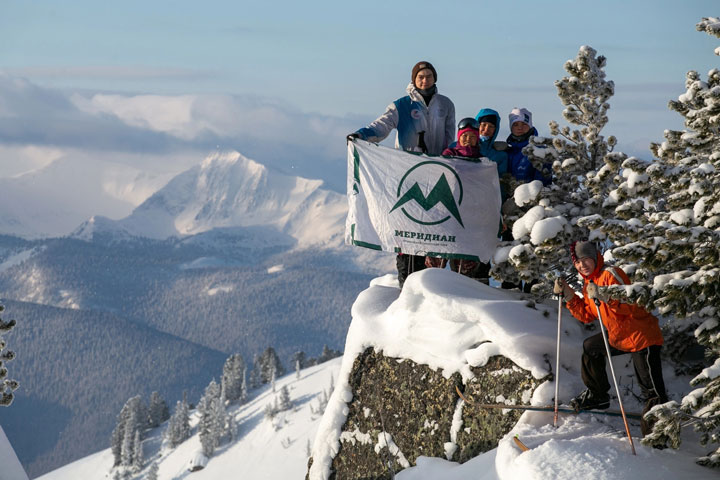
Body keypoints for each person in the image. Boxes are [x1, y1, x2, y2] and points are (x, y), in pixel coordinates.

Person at [347, 61, 456, 288]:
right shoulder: (402, 105)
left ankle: (431, 282)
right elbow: (382, 126)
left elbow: (449, 136)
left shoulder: (445, 105)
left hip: (436, 173)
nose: (424, 80)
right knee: (408, 225)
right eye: (420, 77)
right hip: (408, 174)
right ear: (414, 80)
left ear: (435, 78)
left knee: (433, 227)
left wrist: (451, 159)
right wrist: (362, 135)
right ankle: (406, 278)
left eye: (428, 76)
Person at [554, 240, 668, 435]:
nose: (582, 265)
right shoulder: (590, 282)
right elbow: (587, 315)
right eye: (578, 262)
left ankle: (658, 433)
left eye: (586, 259)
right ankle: (598, 396)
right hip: (619, 336)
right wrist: (568, 295)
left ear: (595, 257)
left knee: (651, 390)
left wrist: (608, 297)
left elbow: (632, 303)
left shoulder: (611, 274)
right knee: (591, 347)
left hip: (641, 336)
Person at [501, 107, 551, 292]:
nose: (519, 128)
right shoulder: (508, 150)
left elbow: (543, 180)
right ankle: (510, 291)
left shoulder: (537, 149)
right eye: (516, 124)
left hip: (530, 210)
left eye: (523, 124)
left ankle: (533, 296)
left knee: (530, 254)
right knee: (509, 252)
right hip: (509, 211)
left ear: (530, 125)